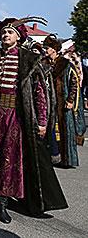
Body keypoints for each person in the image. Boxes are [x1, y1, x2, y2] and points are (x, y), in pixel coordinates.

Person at [0, 17, 67, 224]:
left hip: (19, 118)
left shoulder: (29, 60)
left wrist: (42, 121)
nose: (5, 35)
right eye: (3, 32)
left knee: (12, 160)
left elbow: (40, 93)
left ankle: (4, 202)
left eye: (10, 32)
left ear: (18, 37)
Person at [42, 35, 85, 167]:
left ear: (54, 49)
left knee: (65, 130)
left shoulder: (66, 64)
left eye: (47, 48)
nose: (45, 50)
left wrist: (70, 100)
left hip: (63, 102)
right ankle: (51, 156)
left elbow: (74, 83)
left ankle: (67, 159)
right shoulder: (43, 64)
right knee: (50, 130)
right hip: (48, 101)